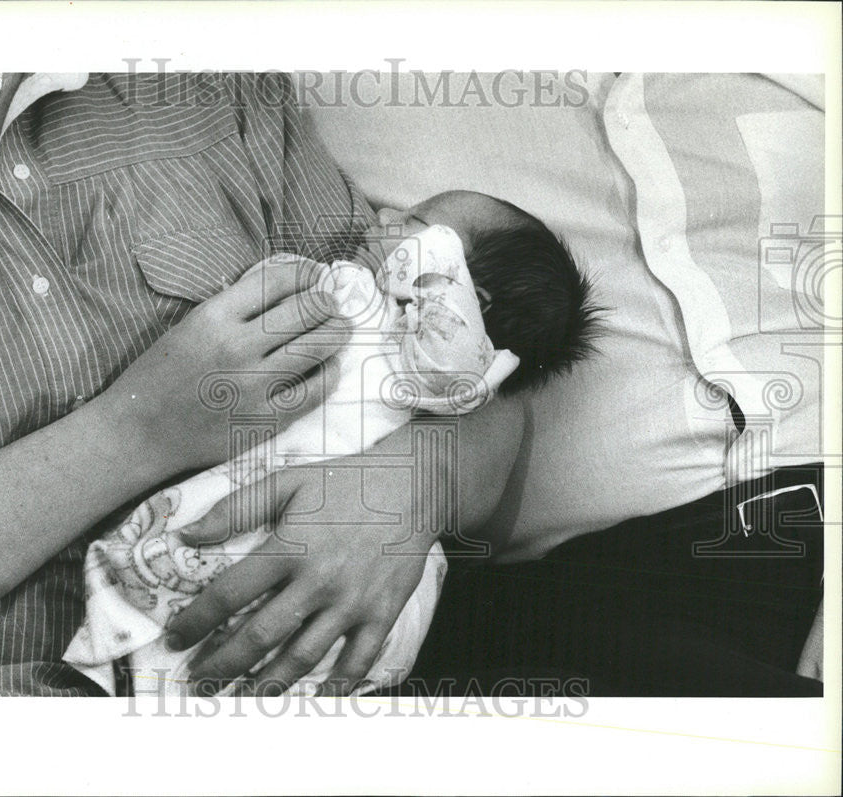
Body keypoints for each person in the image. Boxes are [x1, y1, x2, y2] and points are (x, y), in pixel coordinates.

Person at [0, 72, 527, 696]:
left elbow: (502, 414)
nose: (384, 220)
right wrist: (136, 431)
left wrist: (408, 487)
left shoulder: (208, 84)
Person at [64, 191, 599, 696]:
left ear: (462, 291)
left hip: (349, 555)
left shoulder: (368, 307)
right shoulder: (461, 384)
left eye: (410, 222)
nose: (383, 212)